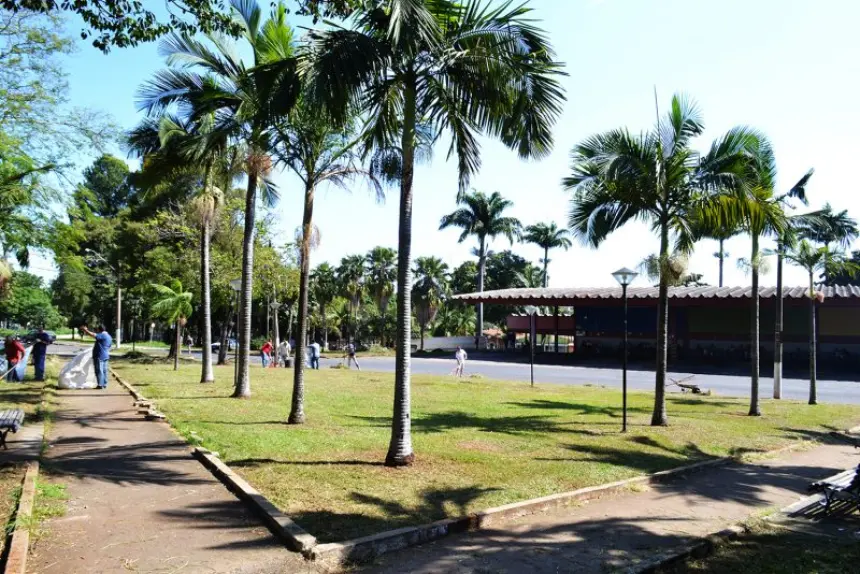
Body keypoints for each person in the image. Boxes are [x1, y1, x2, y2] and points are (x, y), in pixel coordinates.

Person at [81, 325, 112, 389]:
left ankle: (100, 384)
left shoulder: (102, 335)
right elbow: (109, 346)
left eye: (97, 330)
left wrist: (85, 330)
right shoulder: (109, 336)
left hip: (99, 355)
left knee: (99, 370)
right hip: (106, 355)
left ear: (100, 330)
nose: (97, 331)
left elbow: (93, 335)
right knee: (104, 371)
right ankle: (104, 384)